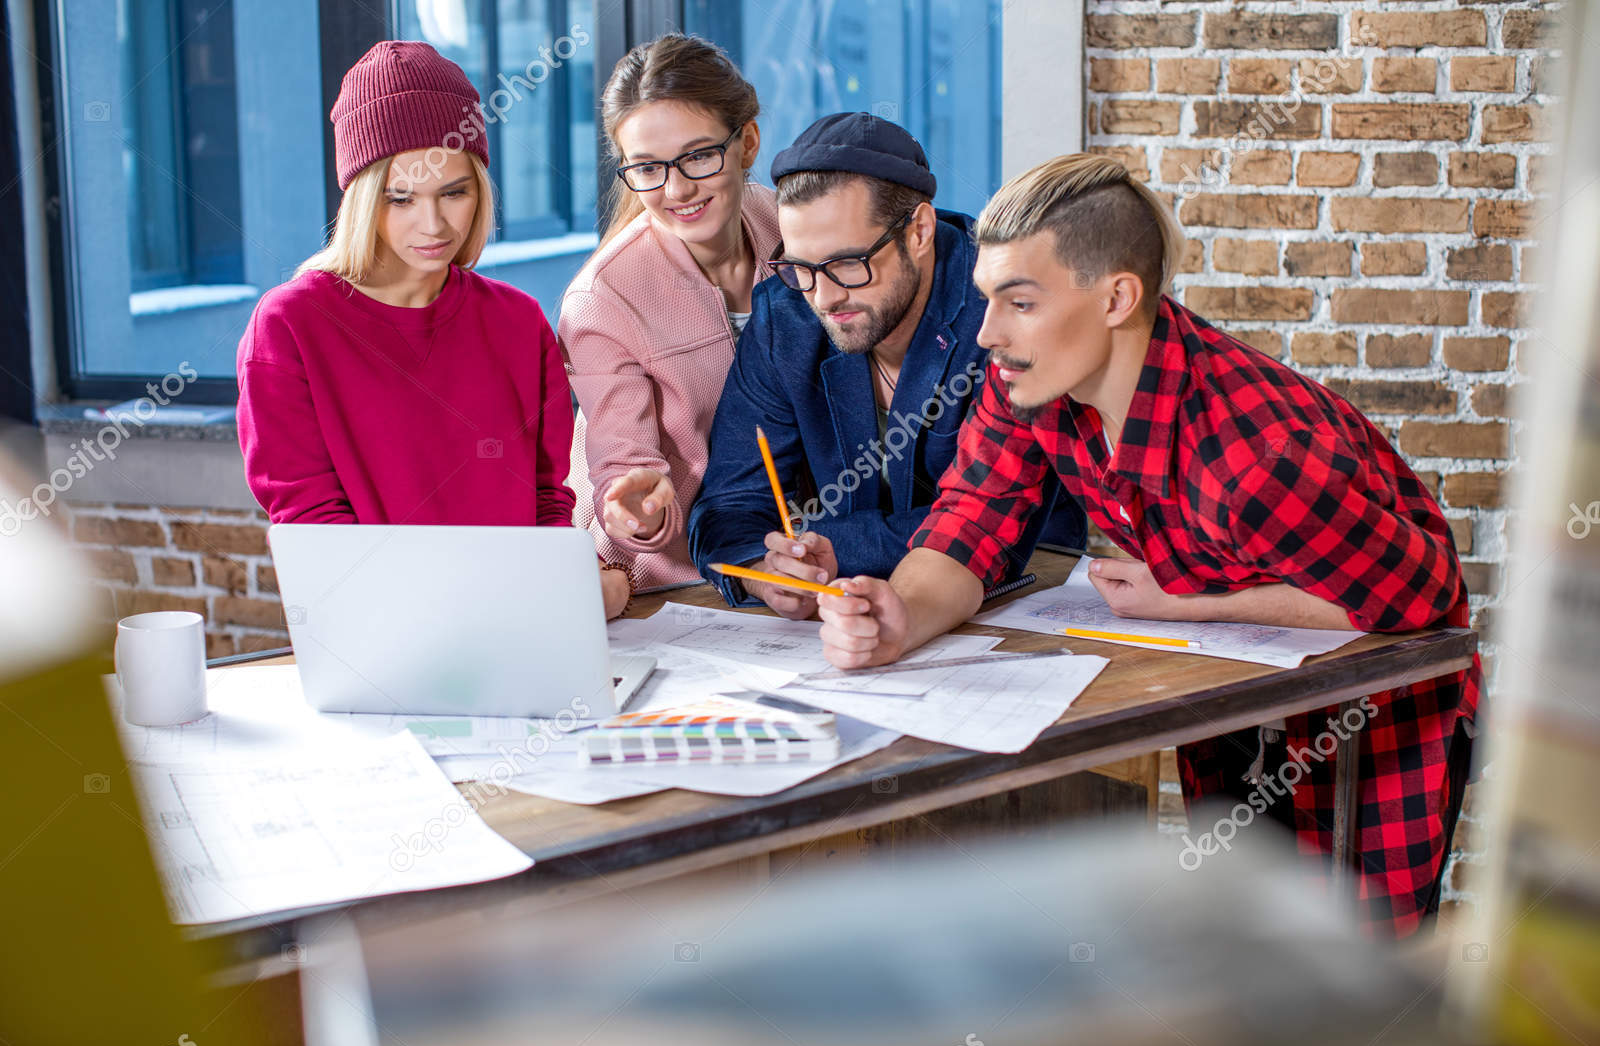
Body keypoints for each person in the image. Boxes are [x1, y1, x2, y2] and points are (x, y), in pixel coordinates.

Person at [816, 154, 1481, 937]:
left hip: (1375, 724)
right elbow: (972, 515)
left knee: (1352, 974)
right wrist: (900, 614)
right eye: (987, 299)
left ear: (1117, 298)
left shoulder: (1254, 457)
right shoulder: (1026, 385)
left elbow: (1423, 602)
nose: (988, 333)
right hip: (1240, 688)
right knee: (1234, 949)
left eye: (1020, 302)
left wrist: (1188, 601)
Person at [236, 41, 628, 619]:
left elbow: (548, 502)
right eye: (401, 198)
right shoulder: (290, 327)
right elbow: (313, 528)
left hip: (522, 625)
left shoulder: (518, 322)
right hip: (380, 628)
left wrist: (573, 591)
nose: (434, 224)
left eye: (454, 192)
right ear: (362, 198)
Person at [688, 113, 1084, 618]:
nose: (823, 298)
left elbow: (991, 521)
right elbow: (729, 504)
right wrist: (763, 570)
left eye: (847, 263)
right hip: (841, 611)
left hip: (1029, 596)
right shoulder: (785, 315)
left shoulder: (1003, 310)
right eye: (801, 267)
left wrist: (829, 546)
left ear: (919, 230)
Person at [559, 34, 779, 591]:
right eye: (647, 168)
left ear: (748, 143)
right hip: (665, 580)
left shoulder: (790, 228)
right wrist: (636, 507)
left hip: (785, 558)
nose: (677, 189)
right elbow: (621, 461)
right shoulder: (602, 299)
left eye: (699, 155)